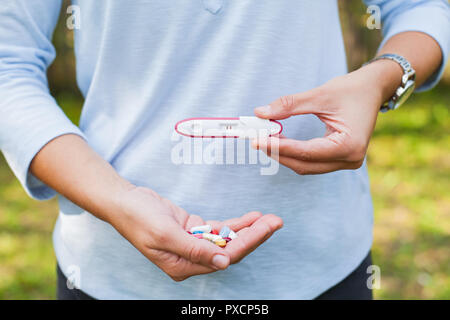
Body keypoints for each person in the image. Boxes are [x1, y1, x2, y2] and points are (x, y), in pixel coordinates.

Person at [0, 0, 449, 300]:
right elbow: (7, 63)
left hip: (323, 266)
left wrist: (385, 76)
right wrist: (116, 201)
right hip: (111, 277)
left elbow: (422, 7)